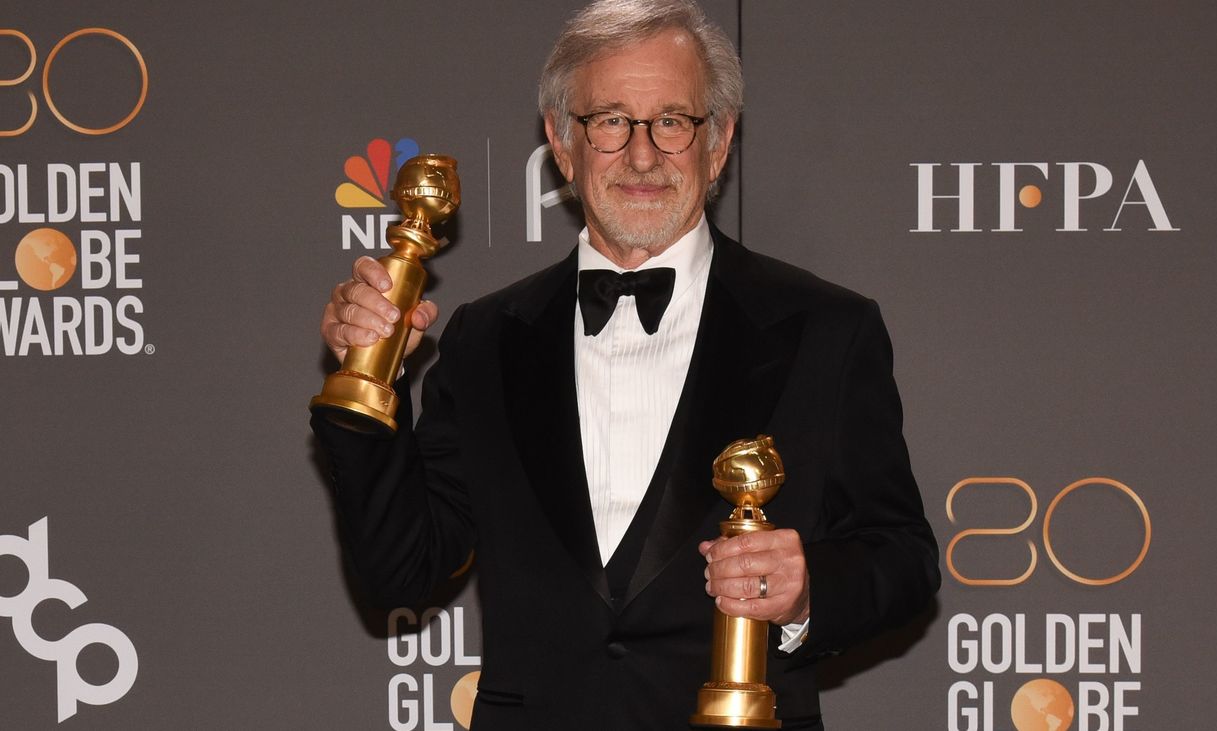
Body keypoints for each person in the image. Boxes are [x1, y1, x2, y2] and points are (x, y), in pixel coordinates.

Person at [313, 1, 938, 728]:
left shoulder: (828, 329)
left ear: (720, 140)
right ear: (560, 141)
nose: (642, 155)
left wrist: (806, 591)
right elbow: (403, 566)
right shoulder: (486, 336)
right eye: (610, 120)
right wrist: (370, 382)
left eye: (672, 121)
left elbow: (903, 560)